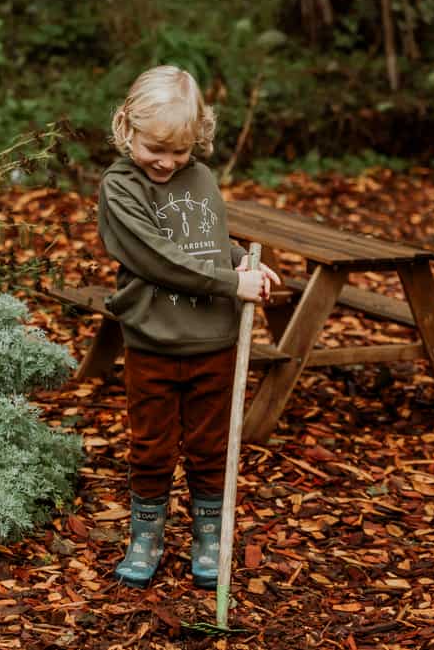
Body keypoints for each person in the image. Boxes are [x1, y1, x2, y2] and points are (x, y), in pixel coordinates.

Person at [96, 65, 280, 589]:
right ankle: (146, 536)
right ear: (126, 128)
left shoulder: (199, 178)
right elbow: (158, 258)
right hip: (153, 341)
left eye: (180, 150)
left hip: (213, 342)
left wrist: (243, 262)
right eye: (156, 147)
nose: (168, 161)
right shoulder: (120, 187)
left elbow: (206, 241)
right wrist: (229, 282)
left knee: (211, 444)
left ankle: (208, 536)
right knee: (151, 444)